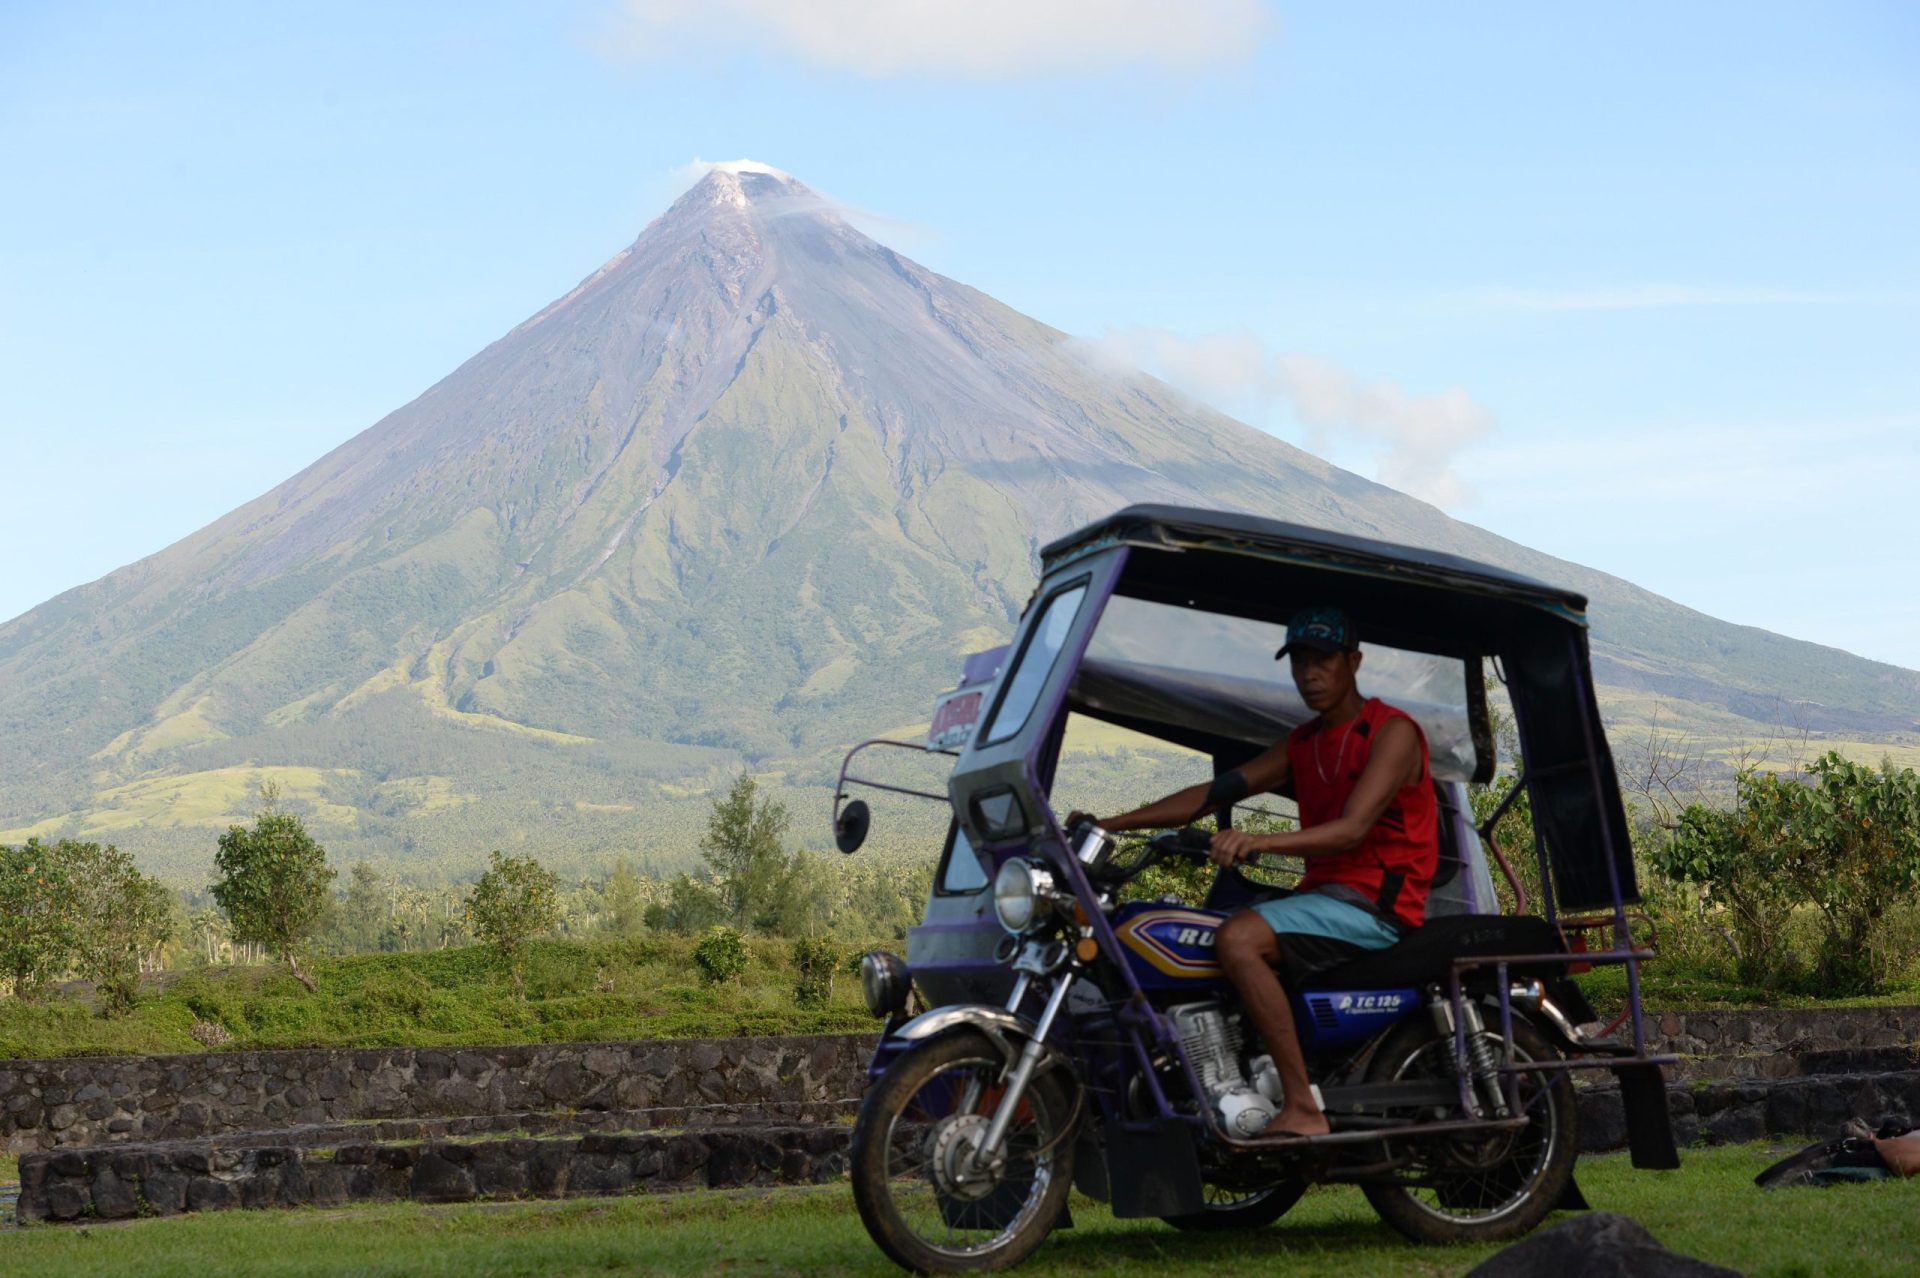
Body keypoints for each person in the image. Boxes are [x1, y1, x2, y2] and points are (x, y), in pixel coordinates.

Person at [1085, 604, 1439, 1138]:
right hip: (1324, 897)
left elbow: (1351, 830)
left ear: (1354, 661)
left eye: (1323, 660)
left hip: (1377, 904)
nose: (1310, 674)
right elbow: (1210, 794)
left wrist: (1259, 840)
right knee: (1202, 931)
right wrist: (1111, 822)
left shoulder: (1392, 733)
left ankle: (1303, 1107)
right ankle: (1241, 1080)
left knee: (1239, 938)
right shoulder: (1305, 744)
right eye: (1299, 662)